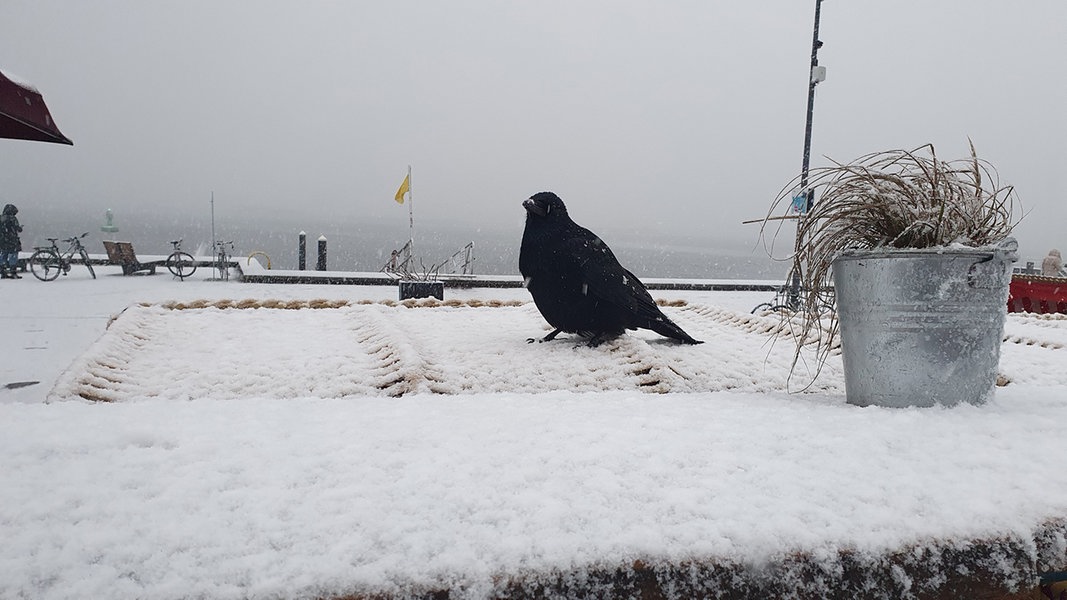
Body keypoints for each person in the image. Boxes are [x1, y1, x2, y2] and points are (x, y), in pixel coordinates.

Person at [0, 203, 23, 279]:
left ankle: (3, 272)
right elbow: (18, 229)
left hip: (2, 240)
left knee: (4, 254)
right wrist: (20, 228)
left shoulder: (1, 217)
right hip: (12, 240)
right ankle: (13, 272)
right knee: (14, 255)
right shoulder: (13, 218)